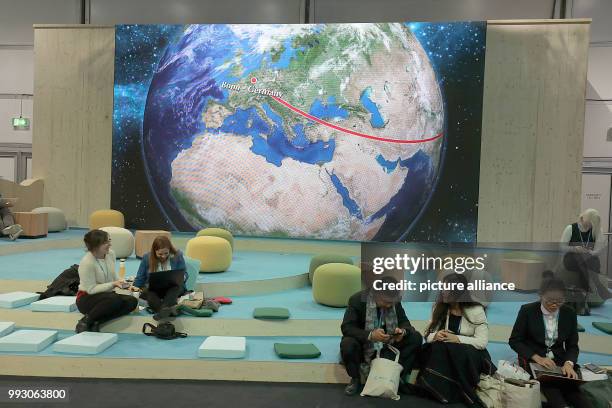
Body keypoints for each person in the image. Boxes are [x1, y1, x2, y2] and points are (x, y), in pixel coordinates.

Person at [509, 276, 588, 408]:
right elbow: (515, 341)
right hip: (534, 360)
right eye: (549, 301)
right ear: (540, 295)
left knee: (573, 390)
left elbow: (572, 346)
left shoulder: (569, 313)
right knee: (550, 387)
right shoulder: (527, 311)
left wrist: (569, 363)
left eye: (559, 301)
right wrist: (537, 358)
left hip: (559, 361)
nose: (554, 305)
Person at [418, 273, 494, 406]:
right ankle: (438, 389)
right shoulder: (439, 307)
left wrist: (457, 339)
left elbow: (482, 342)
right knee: (438, 347)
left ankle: (451, 391)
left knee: (451, 349)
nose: (444, 293)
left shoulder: (476, 309)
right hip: (444, 351)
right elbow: (427, 334)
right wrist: (436, 335)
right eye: (443, 288)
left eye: (448, 290)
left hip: (470, 354)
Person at [340, 276, 422, 396]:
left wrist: (402, 332)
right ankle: (355, 379)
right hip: (365, 345)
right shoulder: (357, 300)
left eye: (392, 303)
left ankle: (398, 377)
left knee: (416, 338)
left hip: (388, 345)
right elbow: (347, 327)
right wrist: (370, 335)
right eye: (386, 302)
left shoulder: (393, 301)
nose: (389, 306)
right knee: (348, 343)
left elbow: (406, 323)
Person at [75, 229, 138, 333]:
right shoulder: (87, 263)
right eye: (105, 242)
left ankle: (98, 321)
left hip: (107, 296)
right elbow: (91, 289)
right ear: (95, 246)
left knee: (132, 301)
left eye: (109, 241)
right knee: (114, 299)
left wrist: (127, 285)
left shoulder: (111, 254)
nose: (110, 244)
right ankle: (85, 321)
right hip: (86, 298)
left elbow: (114, 276)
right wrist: (113, 284)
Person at [560, 208, 611, 307]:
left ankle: (584, 295)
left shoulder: (596, 229)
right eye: (587, 223)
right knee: (580, 259)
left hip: (589, 259)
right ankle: (599, 287)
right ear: (582, 218)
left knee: (585, 260)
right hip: (571, 259)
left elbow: (597, 251)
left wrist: (589, 252)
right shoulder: (570, 228)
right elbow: (562, 247)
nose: (588, 226)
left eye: (591, 224)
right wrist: (575, 248)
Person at [131, 236, 186, 320]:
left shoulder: (177, 255)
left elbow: (184, 273)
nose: (163, 256)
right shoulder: (147, 257)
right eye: (160, 254)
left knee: (175, 289)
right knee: (149, 292)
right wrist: (135, 287)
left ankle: (161, 312)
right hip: (154, 289)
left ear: (170, 249)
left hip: (173, 287)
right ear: (154, 251)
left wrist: (182, 277)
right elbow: (140, 277)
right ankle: (166, 310)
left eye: (166, 253)